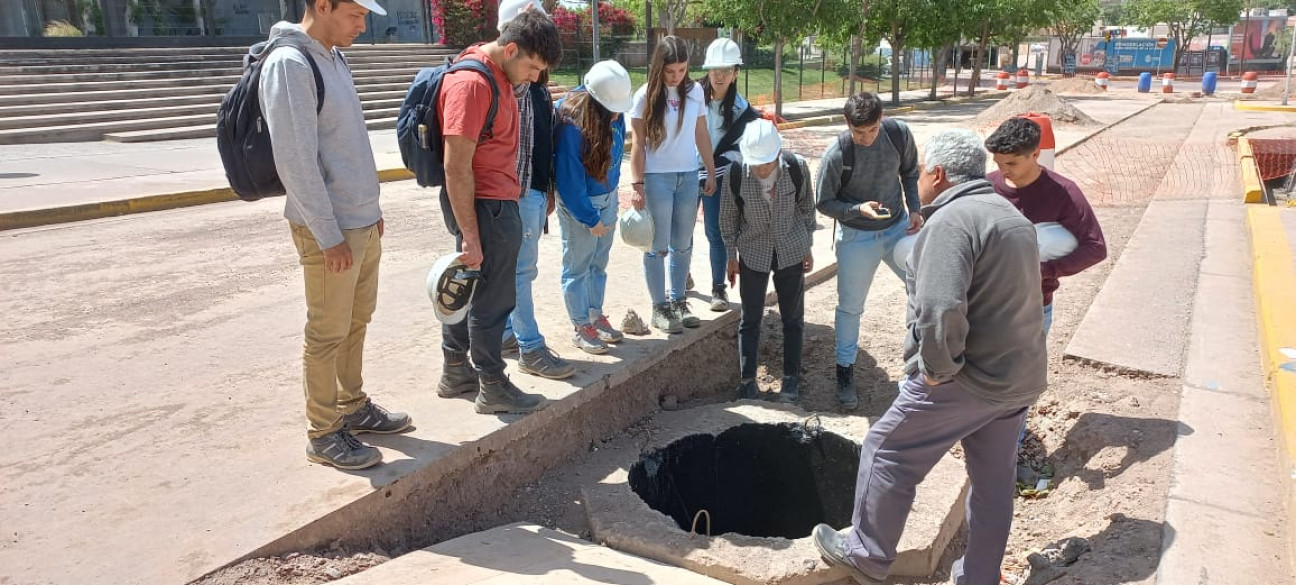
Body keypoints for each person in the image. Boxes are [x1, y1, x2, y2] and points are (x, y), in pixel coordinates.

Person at [813, 129, 1047, 585]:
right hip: (1018, 376)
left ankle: (865, 555)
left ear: (938, 174)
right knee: (992, 486)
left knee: (886, 449)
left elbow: (941, 307)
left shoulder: (953, 221)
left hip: (969, 378)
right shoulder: (1008, 215)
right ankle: (979, 577)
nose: (917, 179)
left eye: (920, 171)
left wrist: (937, 372)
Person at [261, 0, 411, 470]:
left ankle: (352, 405)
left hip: (360, 220)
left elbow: (347, 144)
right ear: (322, 5)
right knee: (327, 332)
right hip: (329, 228)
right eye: (355, 15)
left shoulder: (333, 55)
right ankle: (323, 432)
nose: (363, 26)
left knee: (356, 321)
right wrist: (328, 234)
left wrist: (371, 209)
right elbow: (296, 162)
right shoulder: (290, 63)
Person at [434, 10, 562, 415]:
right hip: (486, 206)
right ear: (510, 49)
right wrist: (471, 235)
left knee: (468, 289)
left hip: (492, 202)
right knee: (492, 299)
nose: (536, 77)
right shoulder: (473, 83)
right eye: (533, 67)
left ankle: (456, 370)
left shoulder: (497, 74)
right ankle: (492, 383)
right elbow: (456, 166)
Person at [815, 92, 921, 411]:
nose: (865, 138)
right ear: (847, 124)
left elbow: (911, 172)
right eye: (858, 132)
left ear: (882, 119)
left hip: (898, 229)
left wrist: (915, 208)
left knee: (924, 289)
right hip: (857, 236)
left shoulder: (898, 134)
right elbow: (824, 202)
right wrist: (857, 209)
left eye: (871, 130)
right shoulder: (838, 153)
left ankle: (921, 368)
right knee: (850, 308)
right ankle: (844, 373)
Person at [494, 2, 575, 380]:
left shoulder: (533, 86)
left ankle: (510, 333)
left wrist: (546, 192)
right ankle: (529, 346)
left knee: (519, 270)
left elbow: (541, 142)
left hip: (530, 192)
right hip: (510, 196)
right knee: (520, 272)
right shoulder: (501, 83)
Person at [984, 116, 1107, 337]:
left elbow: (1096, 247)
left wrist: (1045, 270)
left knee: (1025, 371)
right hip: (984, 306)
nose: (1003, 171)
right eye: (998, 163)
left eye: (1011, 163)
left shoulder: (1064, 192)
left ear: (1036, 154)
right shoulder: (986, 187)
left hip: (1033, 308)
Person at [720, 120, 815, 403]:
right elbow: (727, 218)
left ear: (778, 154)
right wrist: (730, 256)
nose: (761, 169)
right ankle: (747, 380)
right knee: (750, 319)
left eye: (766, 163)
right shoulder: (736, 173)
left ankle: (791, 379)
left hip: (790, 249)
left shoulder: (796, 168)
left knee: (793, 319)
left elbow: (807, 209)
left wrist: (807, 247)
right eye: (756, 163)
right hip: (753, 252)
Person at [629, 35, 718, 334]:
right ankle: (659, 307)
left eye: (681, 70)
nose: (676, 76)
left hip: (688, 175)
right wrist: (636, 183)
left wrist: (711, 169)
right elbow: (638, 145)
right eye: (670, 71)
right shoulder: (644, 96)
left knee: (683, 244)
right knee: (657, 245)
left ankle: (679, 301)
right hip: (657, 179)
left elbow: (701, 133)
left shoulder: (695, 92)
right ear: (659, 67)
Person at [555, 60, 633, 354]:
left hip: (606, 198)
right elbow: (569, 180)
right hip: (582, 207)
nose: (617, 114)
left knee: (598, 263)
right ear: (596, 101)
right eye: (612, 109)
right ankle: (580, 325)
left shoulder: (613, 112)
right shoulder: (571, 124)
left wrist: (611, 196)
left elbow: (613, 157)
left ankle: (594, 314)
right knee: (578, 266)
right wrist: (590, 218)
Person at [698, 37, 760, 312]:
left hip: (718, 177)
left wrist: (717, 168)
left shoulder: (743, 111)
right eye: (714, 69)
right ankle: (680, 279)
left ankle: (717, 287)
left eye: (726, 70)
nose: (719, 76)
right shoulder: (691, 98)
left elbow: (746, 150)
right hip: (687, 173)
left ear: (736, 72)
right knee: (680, 233)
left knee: (716, 232)